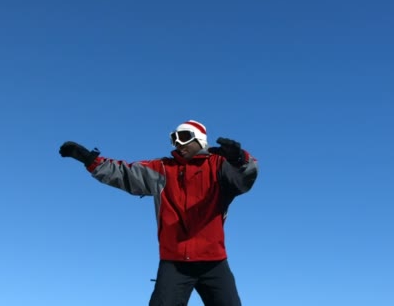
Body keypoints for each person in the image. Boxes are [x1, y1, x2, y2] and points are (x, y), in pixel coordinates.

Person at [59, 120, 258, 306]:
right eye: (174, 138)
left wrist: (239, 159)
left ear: (200, 139)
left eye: (184, 136)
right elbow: (125, 173)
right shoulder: (162, 169)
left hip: (213, 262)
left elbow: (243, 180)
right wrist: (89, 160)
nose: (178, 143)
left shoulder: (219, 166)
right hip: (174, 261)